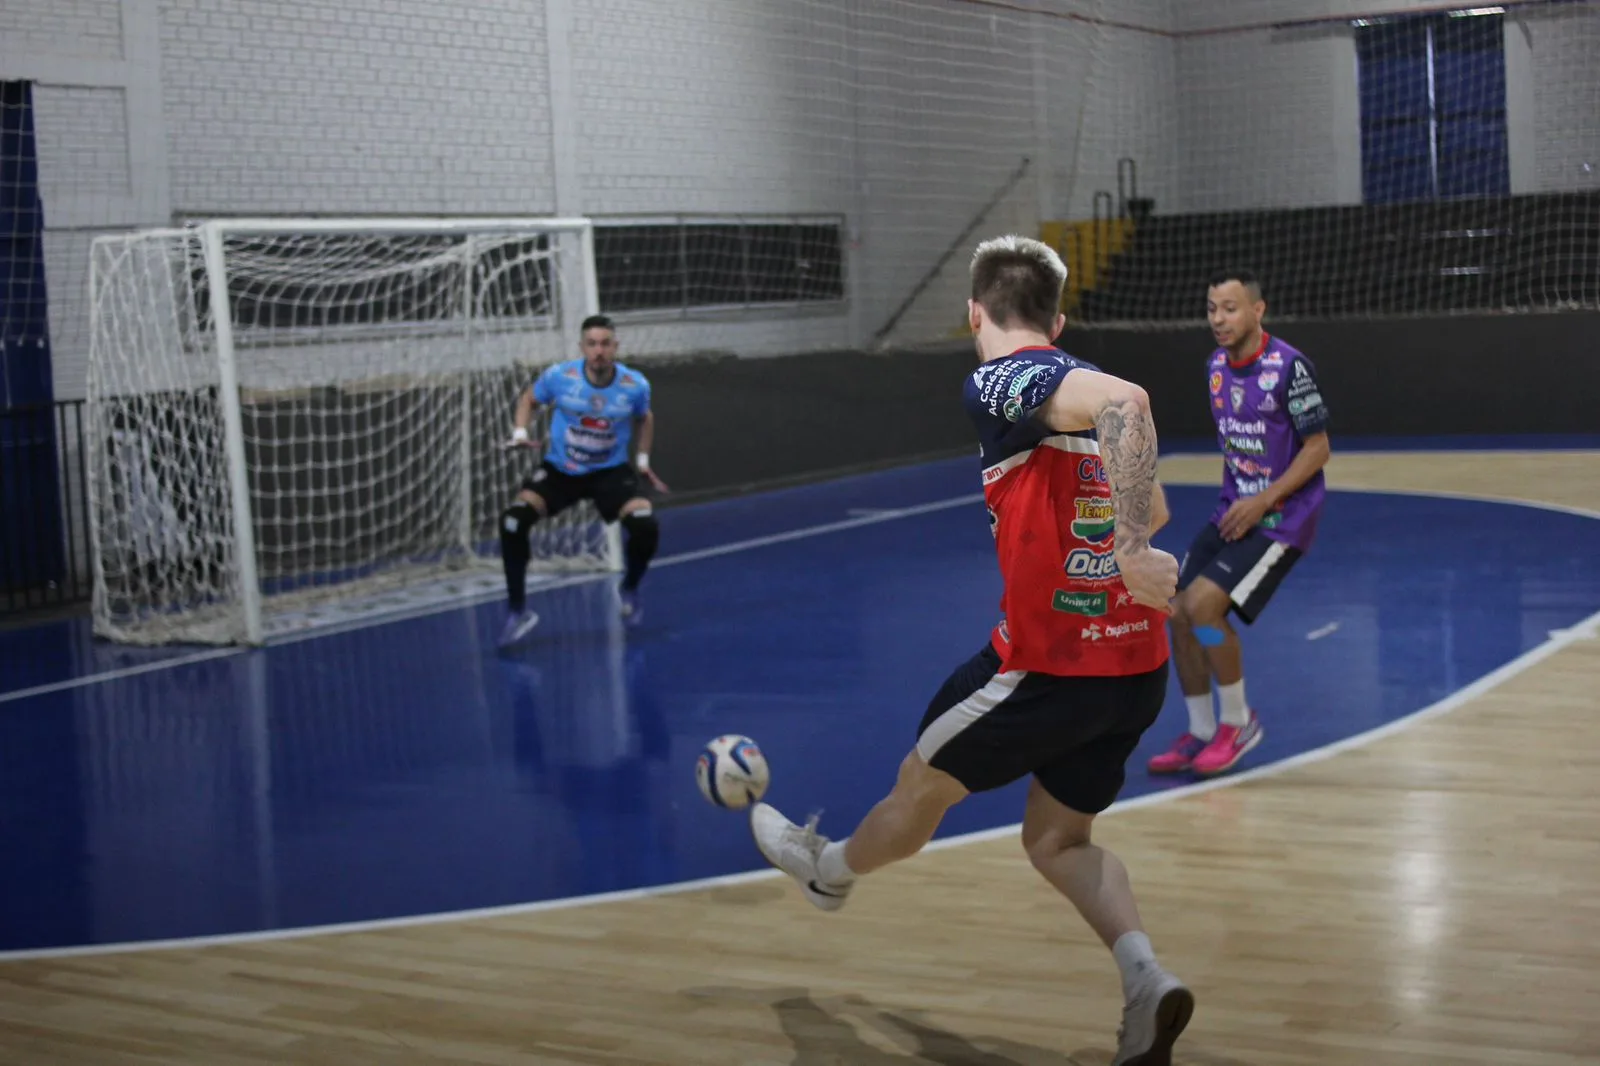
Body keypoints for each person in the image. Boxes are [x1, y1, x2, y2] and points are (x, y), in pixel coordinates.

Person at [749, 235, 1194, 1065]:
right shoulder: (1067, 386)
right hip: (1135, 666)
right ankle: (1147, 979)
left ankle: (829, 871)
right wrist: (1121, 541)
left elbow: (1130, 406)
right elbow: (1159, 497)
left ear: (973, 313)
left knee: (919, 787)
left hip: (1045, 666)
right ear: (1059, 318)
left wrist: (1125, 547)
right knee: (1058, 842)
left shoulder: (997, 380)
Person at [1145, 269, 1330, 777]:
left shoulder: (1291, 368)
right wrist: (1239, 500)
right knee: (1177, 612)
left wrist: (1264, 499)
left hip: (1282, 519)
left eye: (1229, 308)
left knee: (1205, 610)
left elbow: (1318, 449)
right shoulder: (1215, 368)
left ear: (1257, 310)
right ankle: (1202, 730)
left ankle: (1238, 722)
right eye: (1211, 309)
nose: (1219, 319)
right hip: (1233, 512)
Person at [498, 314, 669, 646]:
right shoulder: (561, 376)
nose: (599, 351)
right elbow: (528, 399)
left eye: (605, 344)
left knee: (646, 525)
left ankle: (630, 588)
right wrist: (520, 432)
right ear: (582, 347)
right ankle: (518, 611)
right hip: (562, 470)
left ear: (615, 347)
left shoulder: (635, 385)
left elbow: (644, 418)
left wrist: (643, 460)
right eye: (592, 344)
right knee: (513, 523)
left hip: (610, 472)